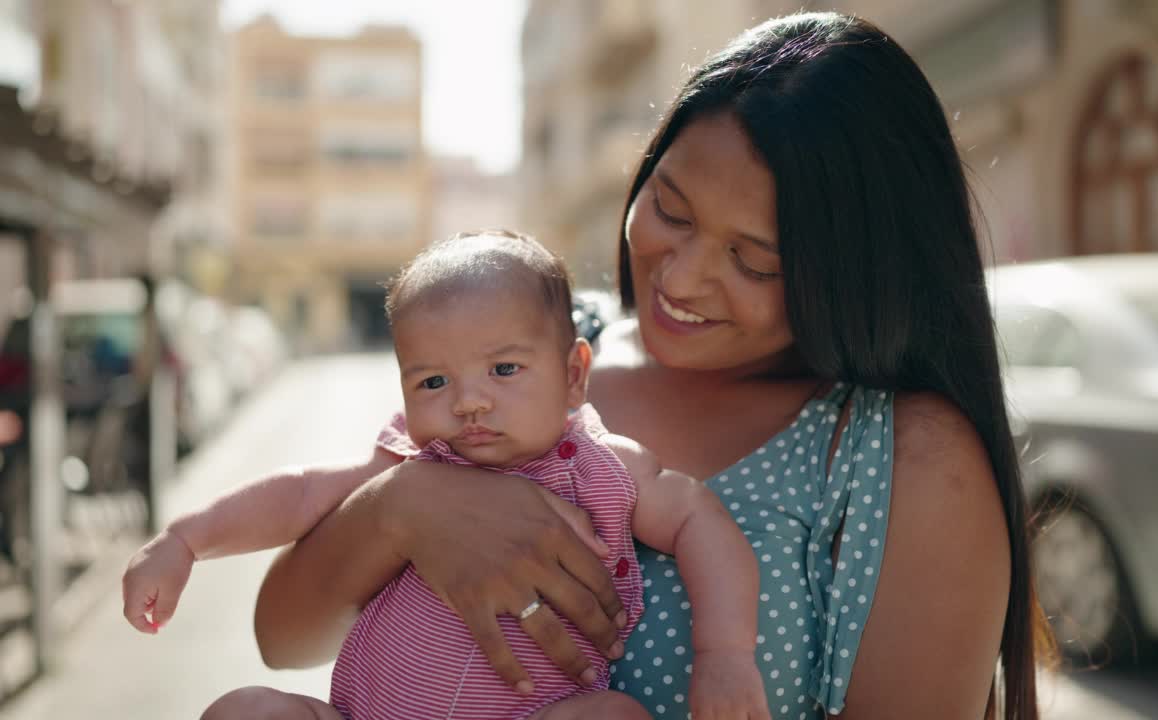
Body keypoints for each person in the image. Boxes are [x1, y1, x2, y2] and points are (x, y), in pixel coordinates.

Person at [252, 11, 1052, 720]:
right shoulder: (533, 357)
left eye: (753, 261)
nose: (681, 276)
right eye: (671, 208)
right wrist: (406, 507)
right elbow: (284, 636)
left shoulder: (906, 458)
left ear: (857, 276)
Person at [121, 231, 770, 719]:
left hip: (529, 714)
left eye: (505, 370)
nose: (468, 402)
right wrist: (186, 540)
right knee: (244, 711)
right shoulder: (412, 457)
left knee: (615, 718)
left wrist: (726, 656)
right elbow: (303, 490)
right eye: (433, 380)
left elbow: (698, 520)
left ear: (574, 374)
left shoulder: (607, 469)